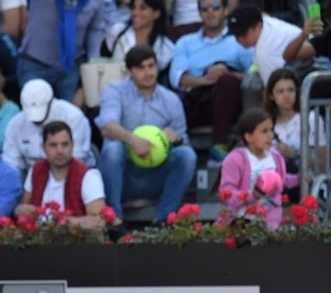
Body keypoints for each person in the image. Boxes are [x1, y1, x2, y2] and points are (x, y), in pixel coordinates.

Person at [95, 45, 196, 225]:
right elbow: (107, 127)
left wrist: (177, 139)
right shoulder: (115, 91)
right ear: (129, 72)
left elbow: (184, 141)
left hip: (155, 174)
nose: (148, 72)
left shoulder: (171, 100)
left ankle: (163, 219)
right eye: (141, 68)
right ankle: (113, 221)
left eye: (151, 66)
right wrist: (132, 140)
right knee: (112, 149)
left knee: (187, 156)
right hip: (125, 174)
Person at [169, 0, 254, 164]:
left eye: (215, 7)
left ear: (225, 10)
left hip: (229, 102)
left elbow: (254, 73)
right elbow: (177, 78)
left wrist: (227, 74)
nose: (210, 12)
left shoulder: (238, 39)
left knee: (227, 81)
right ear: (199, 12)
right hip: (197, 99)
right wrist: (205, 79)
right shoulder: (186, 42)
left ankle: (219, 145)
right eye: (204, 8)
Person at [15, 120, 107, 227]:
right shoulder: (36, 170)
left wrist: (53, 220)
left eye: (65, 144)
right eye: (53, 145)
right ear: (43, 148)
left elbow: (98, 222)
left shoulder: (89, 176)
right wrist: (20, 210)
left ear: (72, 146)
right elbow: (22, 207)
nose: (60, 150)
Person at [2, 78, 96, 177]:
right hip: (31, 174)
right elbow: (11, 162)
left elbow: (78, 157)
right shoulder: (15, 124)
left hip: (71, 171)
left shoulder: (73, 117)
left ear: (51, 102)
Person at [220, 107, 297, 227]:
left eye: (271, 130)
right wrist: (253, 195)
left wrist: (299, 179)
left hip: (271, 222)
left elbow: (281, 180)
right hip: (242, 222)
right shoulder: (235, 160)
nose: (271, 135)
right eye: (264, 131)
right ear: (249, 137)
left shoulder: (276, 157)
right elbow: (227, 192)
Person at [16, 0, 105, 101]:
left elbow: (94, 34)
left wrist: (85, 83)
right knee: (36, 113)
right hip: (35, 64)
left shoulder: (96, 2)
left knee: (71, 115)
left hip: (72, 68)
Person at [227, 3, 326, 92]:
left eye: (243, 34)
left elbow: (273, 90)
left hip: (313, 64)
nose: (239, 40)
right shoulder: (265, 21)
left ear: (258, 26)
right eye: (236, 36)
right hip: (308, 59)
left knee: (250, 86)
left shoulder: (263, 53)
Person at [264, 67, 326, 192]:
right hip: (277, 183)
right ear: (271, 95)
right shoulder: (267, 124)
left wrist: (296, 155)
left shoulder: (311, 119)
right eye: (280, 91)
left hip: (309, 183)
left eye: (290, 90)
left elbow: (323, 165)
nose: (286, 95)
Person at [100, 0, 175, 71]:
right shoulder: (117, 32)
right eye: (133, 8)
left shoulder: (166, 48)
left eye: (143, 8)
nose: (135, 12)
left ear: (156, 13)